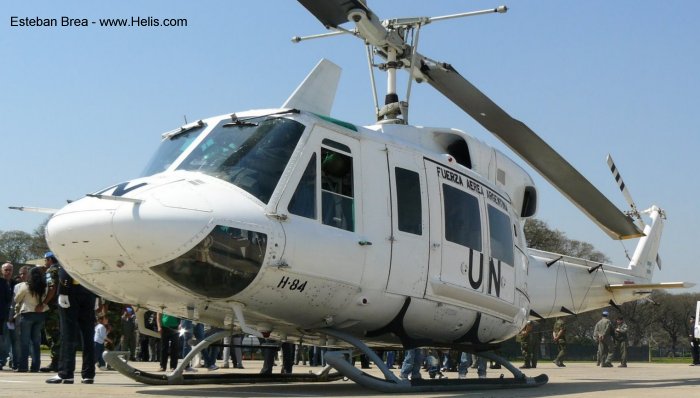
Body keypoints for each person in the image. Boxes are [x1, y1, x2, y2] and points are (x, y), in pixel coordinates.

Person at [46, 257, 98, 384]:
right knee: (88, 335)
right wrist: (97, 295)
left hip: (71, 291)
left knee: (68, 334)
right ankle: (88, 374)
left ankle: (66, 373)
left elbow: (65, 267)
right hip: (89, 292)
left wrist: (63, 291)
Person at [14, 266, 49, 372]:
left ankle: (23, 366)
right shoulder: (44, 286)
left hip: (27, 314)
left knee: (24, 342)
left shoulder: (26, 285)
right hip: (40, 314)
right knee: (36, 342)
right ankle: (35, 366)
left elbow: (17, 298)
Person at [40, 253, 60, 373]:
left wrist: (44, 303)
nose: (45, 262)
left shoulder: (51, 271)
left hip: (52, 308)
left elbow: (52, 288)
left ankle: (55, 362)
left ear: (49, 260)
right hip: (63, 306)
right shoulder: (63, 269)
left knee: (52, 335)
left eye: (45, 260)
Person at [0, 262, 16, 370]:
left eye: (10, 270)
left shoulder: (16, 283)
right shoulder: (1, 282)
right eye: (6, 270)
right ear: (1, 271)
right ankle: (2, 360)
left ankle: (9, 361)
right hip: (3, 315)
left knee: (10, 340)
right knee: (3, 340)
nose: (8, 272)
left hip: (12, 316)